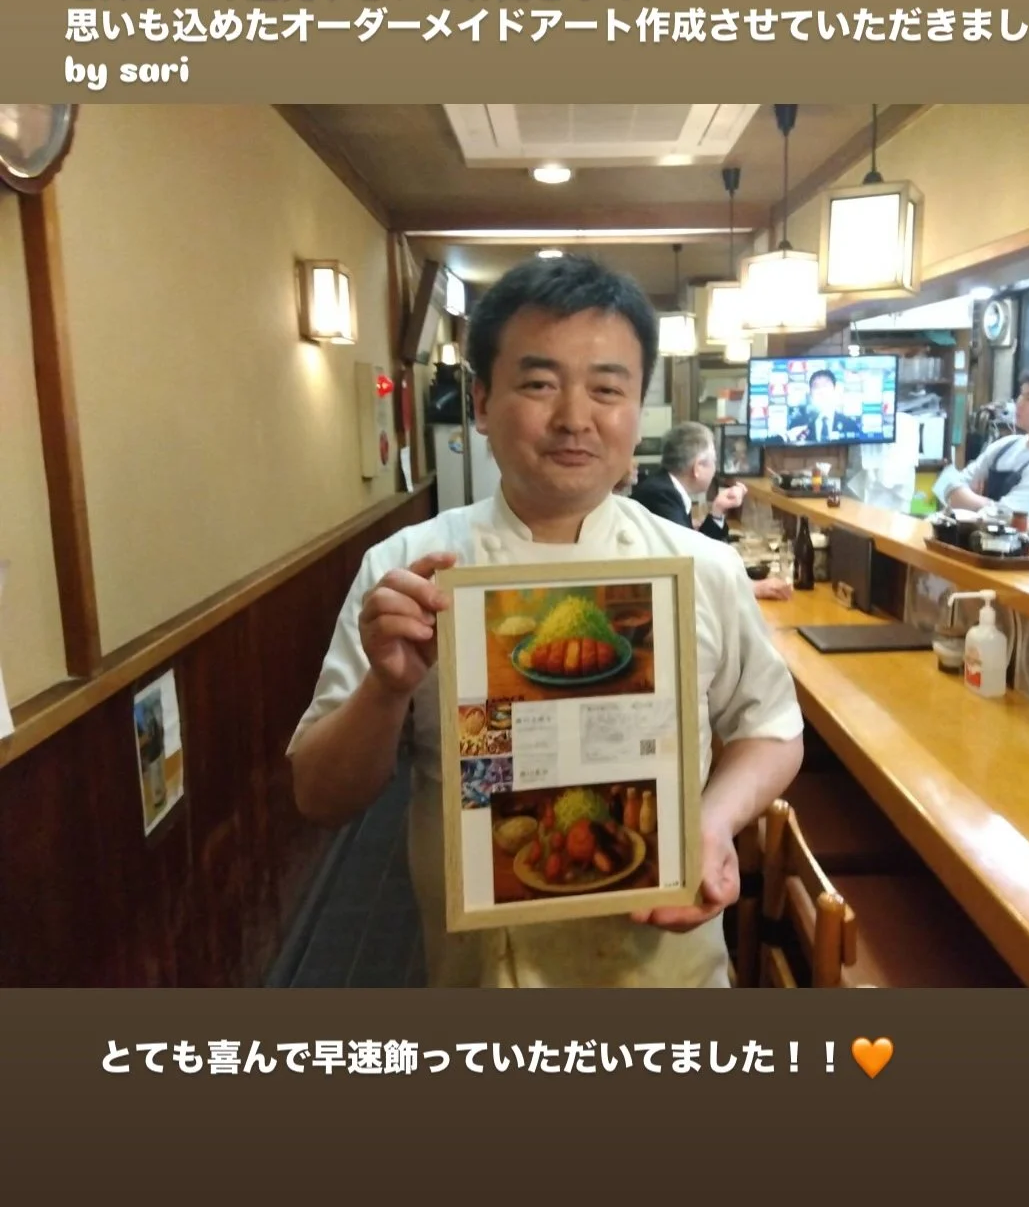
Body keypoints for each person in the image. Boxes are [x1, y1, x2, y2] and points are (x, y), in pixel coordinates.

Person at [288, 256, 804, 990]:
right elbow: (320, 797)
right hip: (480, 979)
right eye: (537, 384)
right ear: (479, 400)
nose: (573, 418)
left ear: (636, 409)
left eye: (606, 388)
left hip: (666, 975)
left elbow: (772, 729)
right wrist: (385, 688)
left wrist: (712, 822)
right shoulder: (406, 570)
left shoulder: (700, 568)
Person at [630, 422, 792, 601]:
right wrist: (750, 588)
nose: (715, 468)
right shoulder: (662, 495)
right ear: (698, 467)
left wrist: (718, 510)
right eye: (713, 461)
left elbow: (696, 549)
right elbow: (691, 564)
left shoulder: (665, 487)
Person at [936, 359, 1029, 516]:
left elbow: (1005, 517)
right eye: (1020, 395)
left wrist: (967, 499)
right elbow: (946, 485)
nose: (1019, 403)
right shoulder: (1005, 445)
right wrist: (982, 504)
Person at [787, 368, 858, 445]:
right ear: (810, 394)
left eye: (825, 385)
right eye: (816, 387)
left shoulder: (849, 424)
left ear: (835, 390)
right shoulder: (797, 424)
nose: (821, 391)